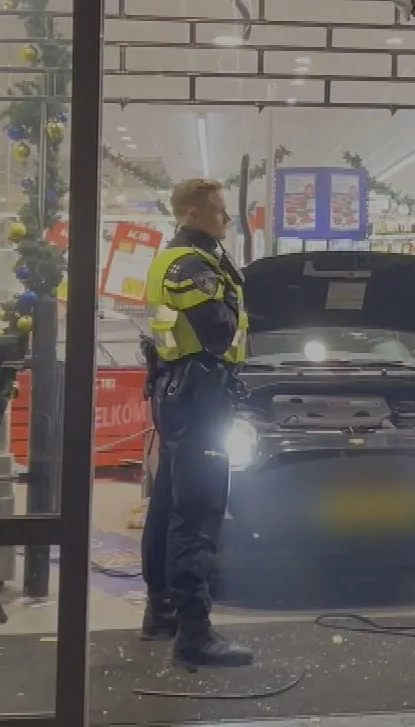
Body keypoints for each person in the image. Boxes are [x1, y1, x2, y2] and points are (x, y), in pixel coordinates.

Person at [139, 178, 255, 668]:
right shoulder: (192, 265)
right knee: (198, 510)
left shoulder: (180, 259)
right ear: (191, 213)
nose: (226, 219)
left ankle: (161, 612)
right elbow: (218, 333)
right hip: (199, 394)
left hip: (180, 392)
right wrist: (233, 300)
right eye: (218, 211)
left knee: (168, 502)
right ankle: (195, 633)